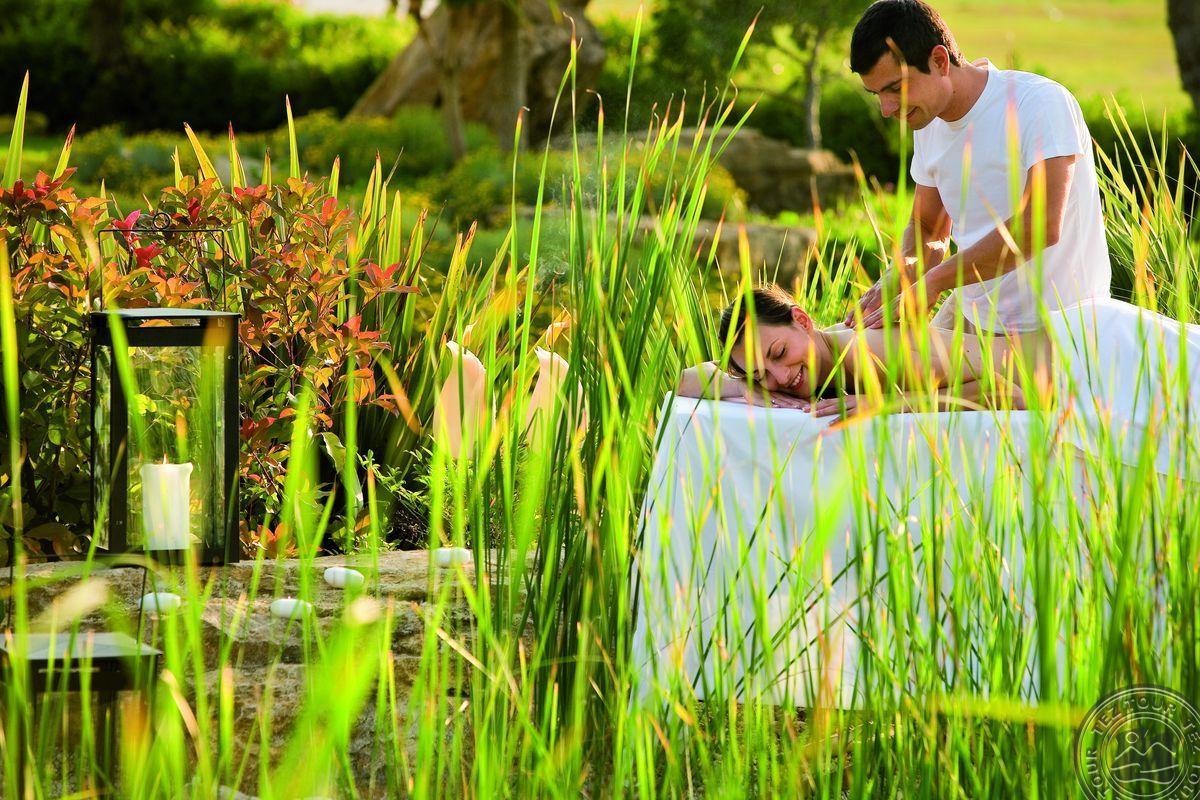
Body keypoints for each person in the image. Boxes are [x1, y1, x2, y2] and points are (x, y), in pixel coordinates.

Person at [676, 285, 1200, 478]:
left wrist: (889, 405)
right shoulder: (818, 360)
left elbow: (1013, 395)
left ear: (803, 321)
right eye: (764, 375)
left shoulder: (872, 353)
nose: (784, 378)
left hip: (1098, 358)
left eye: (778, 355)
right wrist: (753, 388)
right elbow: (689, 380)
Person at [843, 0, 1111, 335]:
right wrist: (899, 274)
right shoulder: (927, 120)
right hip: (973, 313)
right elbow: (928, 226)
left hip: (1058, 324)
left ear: (939, 61)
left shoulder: (1038, 103)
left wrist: (934, 282)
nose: (886, 109)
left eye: (896, 88)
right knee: (852, 347)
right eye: (876, 94)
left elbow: (1039, 226)